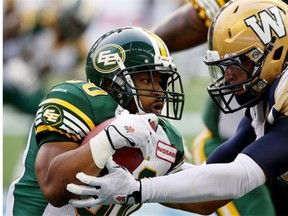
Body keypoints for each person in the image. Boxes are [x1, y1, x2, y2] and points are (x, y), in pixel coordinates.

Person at [66, 0, 288, 214]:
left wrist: (137, 190)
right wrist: (150, 173)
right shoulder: (266, 99)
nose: (229, 77)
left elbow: (240, 176)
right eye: (225, 67)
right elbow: (211, 174)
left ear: (274, 52)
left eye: (237, 64)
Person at [6, 26, 191, 215]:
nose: (159, 91)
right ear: (113, 82)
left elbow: (202, 200)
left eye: (161, 82)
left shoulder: (162, 135)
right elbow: (53, 187)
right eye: (146, 80)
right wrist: (110, 139)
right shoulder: (79, 100)